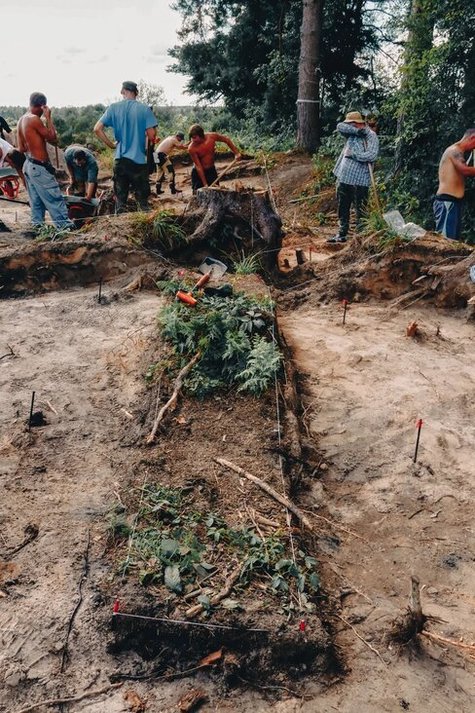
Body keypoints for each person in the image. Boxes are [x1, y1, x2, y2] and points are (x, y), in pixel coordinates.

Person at [94, 81, 158, 213]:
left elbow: (97, 129)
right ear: (136, 93)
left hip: (120, 160)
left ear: (123, 91)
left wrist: (112, 145)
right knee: (143, 203)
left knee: (121, 202)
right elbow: (152, 135)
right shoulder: (145, 109)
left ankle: (120, 230)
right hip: (138, 162)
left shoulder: (113, 108)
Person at [17, 92, 75, 235]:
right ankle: (65, 229)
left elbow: (22, 148)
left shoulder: (21, 120)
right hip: (39, 167)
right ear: (42, 106)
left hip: (28, 165)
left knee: (36, 202)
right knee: (54, 198)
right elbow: (53, 137)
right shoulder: (34, 119)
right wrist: (48, 117)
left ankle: (38, 229)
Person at [328, 111, 379, 244]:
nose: (347, 126)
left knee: (360, 209)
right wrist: (357, 132)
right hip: (343, 177)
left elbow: (372, 155)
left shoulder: (371, 136)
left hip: (360, 180)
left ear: (357, 123)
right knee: (343, 206)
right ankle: (341, 233)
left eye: (350, 123)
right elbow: (340, 126)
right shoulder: (351, 131)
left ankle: (360, 237)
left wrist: (354, 155)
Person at [433, 129, 475, 241]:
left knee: (453, 243)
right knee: (445, 242)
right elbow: (465, 170)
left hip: (454, 203)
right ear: (472, 138)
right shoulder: (454, 151)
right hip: (447, 202)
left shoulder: (460, 153)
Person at [188, 124, 242, 192]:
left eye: (195, 137)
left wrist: (236, 153)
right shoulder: (191, 148)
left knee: (216, 193)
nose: (193, 140)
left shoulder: (212, 136)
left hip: (211, 171)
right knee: (198, 195)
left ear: (200, 135)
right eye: (192, 138)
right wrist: (205, 184)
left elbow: (226, 140)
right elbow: (198, 167)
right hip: (198, 174)